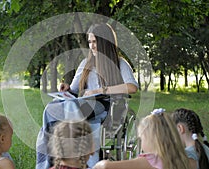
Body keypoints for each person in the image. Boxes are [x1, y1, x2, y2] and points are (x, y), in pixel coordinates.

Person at [36, 23, 138, 169]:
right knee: (51, 107)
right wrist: (67, 88)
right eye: (90, 42)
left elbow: (132, 87)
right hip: (83, 104)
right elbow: (74, 89)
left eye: (95, 42)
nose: (91, 46)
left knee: (72, 106)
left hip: (105, 106)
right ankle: (47, 162)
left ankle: (79, 149)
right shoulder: (86, 63)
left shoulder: (120, 63)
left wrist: (100, 90)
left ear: (105, 42)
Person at [93, 108, 191, 169]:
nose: (141, 143)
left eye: (141, 138)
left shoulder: (151, 160)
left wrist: (99, 164)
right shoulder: (180, 158)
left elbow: (106, 166)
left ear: (151, 138)